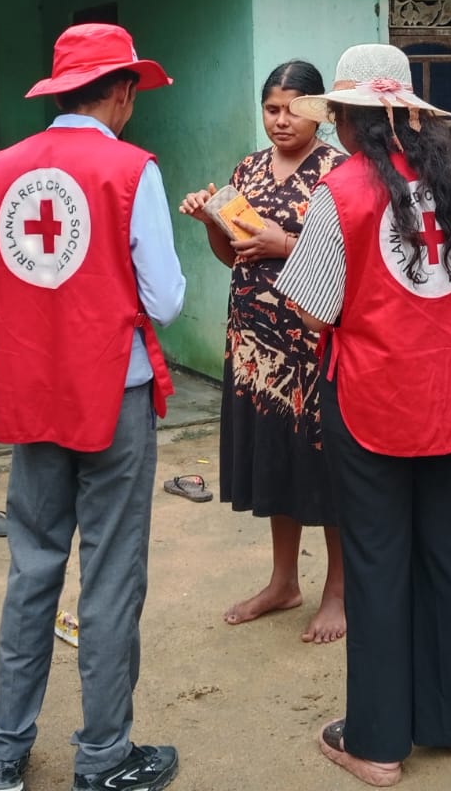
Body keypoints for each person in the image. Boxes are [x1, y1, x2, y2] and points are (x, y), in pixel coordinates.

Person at [275, 44, 451, 787]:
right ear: (410, 115)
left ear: (351, 121)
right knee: (449, 549)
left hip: (374, 401)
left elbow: (314, 309)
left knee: (377, 560)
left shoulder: (344, 190)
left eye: (339, 116)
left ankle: (377, 742)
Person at [0, 23, 187, 791]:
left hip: (33, 397)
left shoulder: (1, 170)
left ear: (61, 91)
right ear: (122, 91)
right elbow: (164, 298)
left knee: (32, 567)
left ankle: (4, 754)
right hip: (113, 398)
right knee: (111, 574)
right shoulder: (131, 170)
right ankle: (102, 758)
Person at [177, 60, 347, 643]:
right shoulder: (247, 170)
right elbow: (234, 256)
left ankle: (338, 591)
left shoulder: (338, 172)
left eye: (293, 110)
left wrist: (287, 243)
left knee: (323, 463)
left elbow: (350, 257)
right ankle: (283, 582)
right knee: (275, 456)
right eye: (271, 109)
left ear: (318, 113)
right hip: (254, 344)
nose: (281, 121)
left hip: (312, 344)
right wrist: (210, 222)